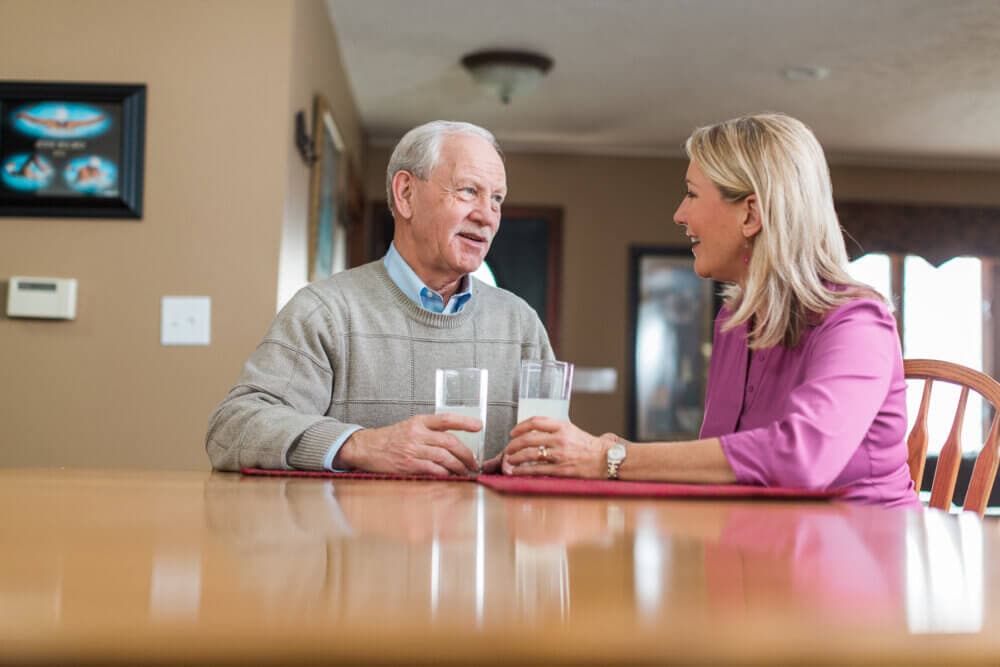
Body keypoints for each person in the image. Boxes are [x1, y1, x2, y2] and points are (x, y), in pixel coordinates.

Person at [504, 112, 919, 508]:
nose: (679, 214)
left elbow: (800, 460)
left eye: (691, 193)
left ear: (751, 214)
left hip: (861, 562)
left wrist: (610, 459)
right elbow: (723, 464)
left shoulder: (856, 323)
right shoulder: (734, 324)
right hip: (765, 554)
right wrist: (606, 454)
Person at [207, 120, 553, 475]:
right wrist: (359, 445)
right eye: (468, 191)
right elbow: (232, 429)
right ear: (405, 194)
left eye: (497, 198)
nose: (487, 216)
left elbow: (550, 454)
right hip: (354, 532)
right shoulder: (324, 312)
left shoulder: (520, 324)